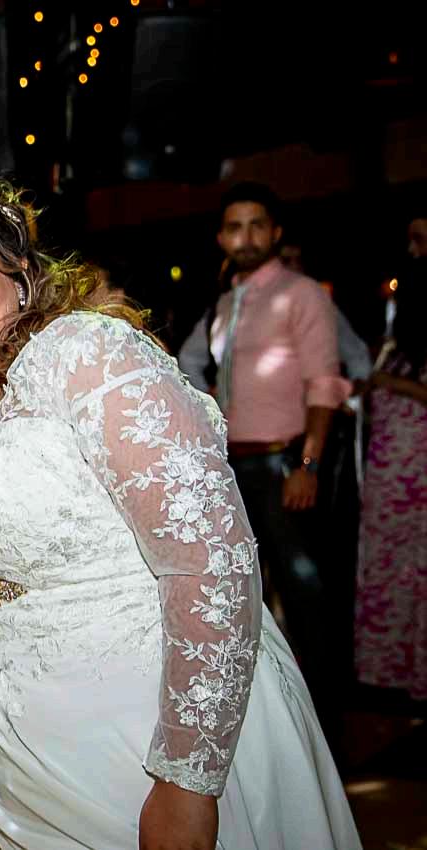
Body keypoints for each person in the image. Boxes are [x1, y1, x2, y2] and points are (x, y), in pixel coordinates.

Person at [0, 165, 360, 849]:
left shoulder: (85, 354)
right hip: (27, 764)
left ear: (20, 276)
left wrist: (188, 779)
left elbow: (210, 561)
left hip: (149, 738)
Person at [175, 183, 352, 732]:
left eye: (257, 225)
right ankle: (274, 721)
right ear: (220, 237)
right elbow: (194, 367)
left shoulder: (302, 294)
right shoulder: (227, 301)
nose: (245, 237)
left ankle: (324, 726)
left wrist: (308, 464)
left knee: (305, 598)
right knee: (244, 595)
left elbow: (325, 384)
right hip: (235, 466)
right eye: (235, 227)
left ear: (275, 232)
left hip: (285, 462)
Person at [355, 259, 427, 701]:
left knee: (419, 569)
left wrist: (390, 383)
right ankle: (388, 672)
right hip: (386, 475)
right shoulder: (391, 348)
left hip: (418, 476)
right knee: (387, 567)